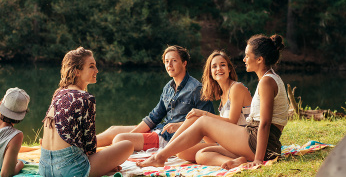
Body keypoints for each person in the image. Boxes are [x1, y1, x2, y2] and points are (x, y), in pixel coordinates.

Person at [137, 34, 288, 169]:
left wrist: (258, 160)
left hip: (261, 143)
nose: (244, 59)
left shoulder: (266, 82)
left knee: (203, 121)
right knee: (202, 154)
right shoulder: (269, 79)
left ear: (260, 59)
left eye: (247, 56)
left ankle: (159, 157)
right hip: (256, 141)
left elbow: (265, 123)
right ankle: (237, 161)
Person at [96, 45, 214, 151]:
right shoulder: (168, 87)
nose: (169, 65)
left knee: (120, 139)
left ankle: (106, 156)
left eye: (174, 61)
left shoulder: (197, 89)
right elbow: (154, 117)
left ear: (184, 63)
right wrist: (133, 134)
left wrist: (130, 137)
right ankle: (83, 147)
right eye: (167, 61)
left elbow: (206, 123)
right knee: (113, 130)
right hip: (159, 130)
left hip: (172, 139)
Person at [40, 47, 133, 177]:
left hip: (44, 168)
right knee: (127, 145)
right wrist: (105, 164)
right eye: (91, 66)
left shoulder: (59, 92)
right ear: (77, 72)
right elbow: (90, 146)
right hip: (69, 171)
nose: (96, 70)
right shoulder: (85, 98)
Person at [172, 50, 253, 162]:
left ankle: (163, 153)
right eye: (214, 66)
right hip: (229, 143)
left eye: (222, 65)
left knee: (198, 117)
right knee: (181, 152)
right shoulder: (223, 95)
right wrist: (182, 125)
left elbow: (232, 122)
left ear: (229, 69)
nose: (218, 69)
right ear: (210, 72)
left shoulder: (237, 88)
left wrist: (204, 114)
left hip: (245, 142)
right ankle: (234, 161)